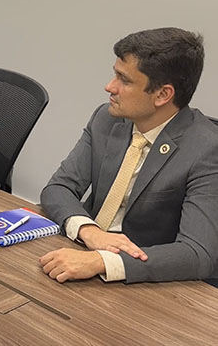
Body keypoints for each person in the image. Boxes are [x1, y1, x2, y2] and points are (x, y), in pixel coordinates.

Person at [39, 28, 218, 285]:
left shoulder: (207, 149)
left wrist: (103, 261)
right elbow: (58, 187)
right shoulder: (107, 118)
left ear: (162, 95)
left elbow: (197, 253)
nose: (110, 87)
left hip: (145, 280)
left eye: (124, 80)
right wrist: (90, 232)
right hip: (79, 254)